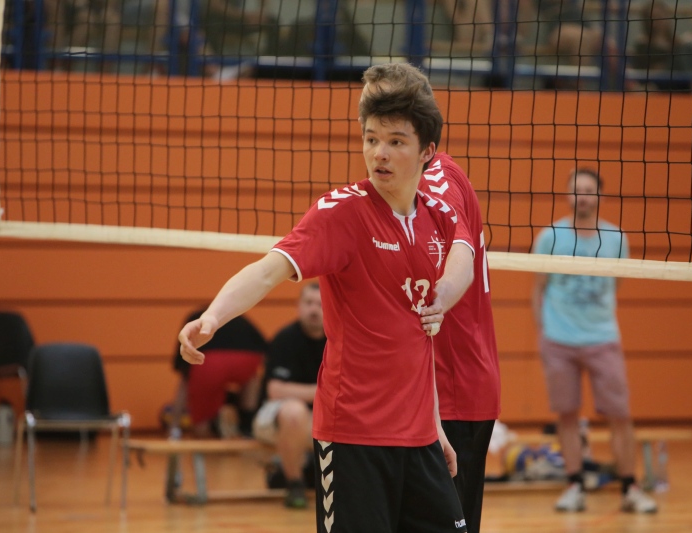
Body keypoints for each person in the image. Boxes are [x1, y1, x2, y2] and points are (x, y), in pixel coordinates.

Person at [179, 64, 475, 532]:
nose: (379, 153)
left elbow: (423, 333)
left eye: (396, 141)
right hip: (355, 438)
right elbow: (267, 271)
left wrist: (434, 424)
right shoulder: (341, 214)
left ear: (427, 152)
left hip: (420, 440)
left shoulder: (437, 217)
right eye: (371, 139)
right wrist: (213, 317)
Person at [360, 63, 500, 533]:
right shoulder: (390, 186)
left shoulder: (435, 179)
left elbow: (460, 250)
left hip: (454, 390)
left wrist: (440, 296)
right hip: (415, 395)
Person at [532, 168, 657, 514]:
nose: (583, 196)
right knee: (567, 415)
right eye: (577, 190)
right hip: (558, 339)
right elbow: (538, 289)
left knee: (620, 415)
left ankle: (630, 487)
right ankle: (574, 485)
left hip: (602, 338)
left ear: (600, 195)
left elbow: (617, 284)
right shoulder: (550, 236)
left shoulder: (616, 238)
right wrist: (544, 334)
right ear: (567, 195)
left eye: (589, 190)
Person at [253, 283, 326, 509]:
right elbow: (276, 390)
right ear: (299, 306)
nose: (314, 309)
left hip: (322, 416)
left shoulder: (340, 341)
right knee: (294, 411)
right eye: (309, 303)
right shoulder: (285, 339)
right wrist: (323, 391)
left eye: (321, 304)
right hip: (276, 417)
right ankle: (294, 484)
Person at [170, 308, 266, 439]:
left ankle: (207, 432)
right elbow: (265, 350)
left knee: (201, 418)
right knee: (252, 379)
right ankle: (248, 425)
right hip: (247, 358)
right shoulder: (236, 315)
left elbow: (184, 381)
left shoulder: (194, 319)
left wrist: (174, 426)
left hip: (210, 361)